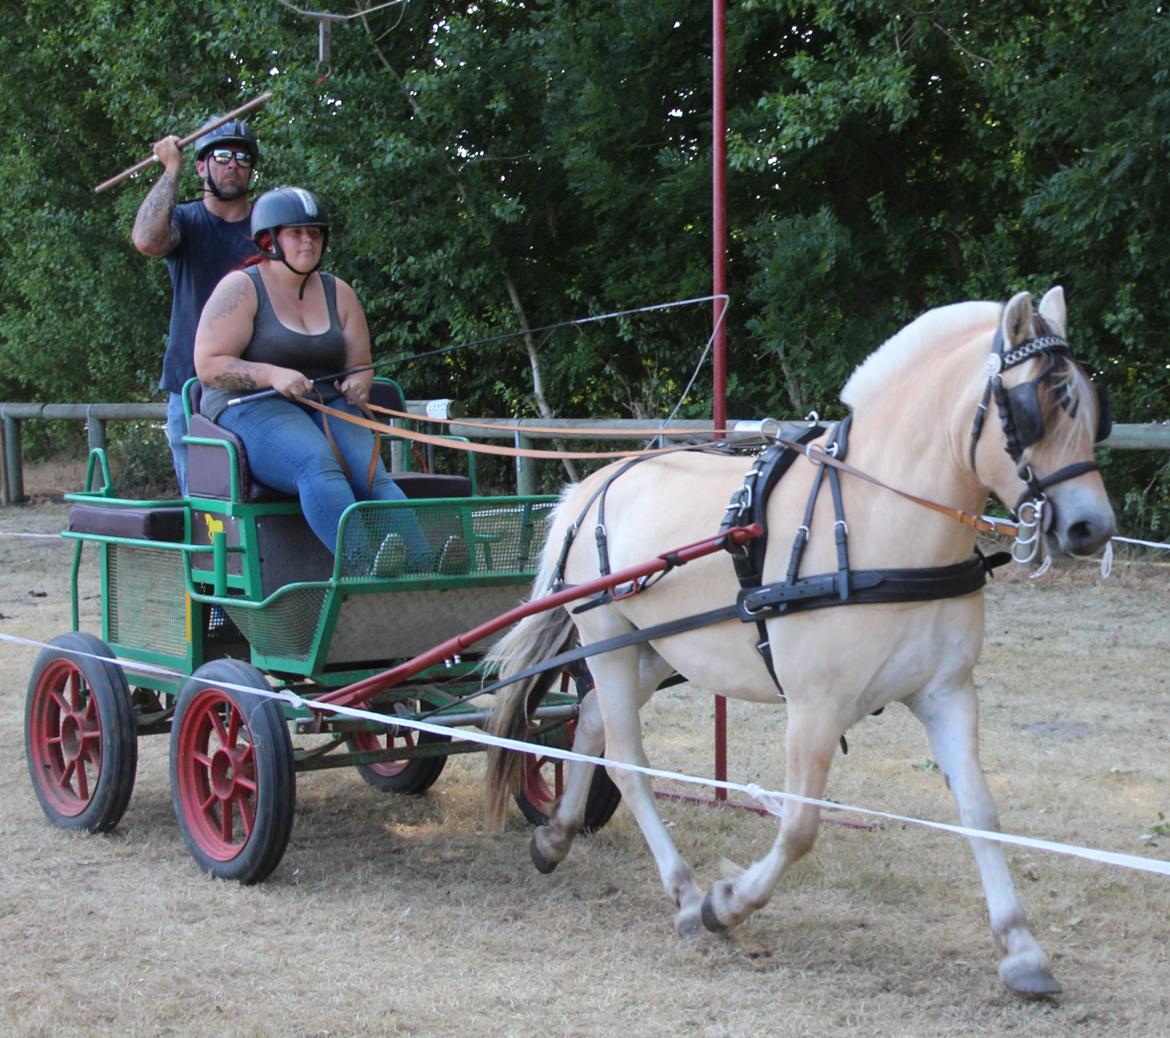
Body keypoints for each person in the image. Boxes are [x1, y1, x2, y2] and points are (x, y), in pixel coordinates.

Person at [193, 186, 465, 576]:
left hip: (323, 401)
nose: (308, 241)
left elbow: (360, 364)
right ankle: (363, 565)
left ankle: (422, 566)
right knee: (316, 462)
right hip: (250, 403)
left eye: (315, 233)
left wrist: (359, 382)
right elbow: (208, 364)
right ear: (269, 240)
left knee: (370, 474)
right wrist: (271, 374)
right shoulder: (240, 288)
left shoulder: (339, 292)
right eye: (296, 233)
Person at [132, 117, 260, 495]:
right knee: (204, 506)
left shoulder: (271, 227)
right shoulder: (185, 221)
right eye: (221, 155)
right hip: (192, 388)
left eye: (242, 156)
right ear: (202, 165)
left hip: (256, 384)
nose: (233, 163)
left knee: (256, 507)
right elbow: (145, 239)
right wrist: (172, 168)